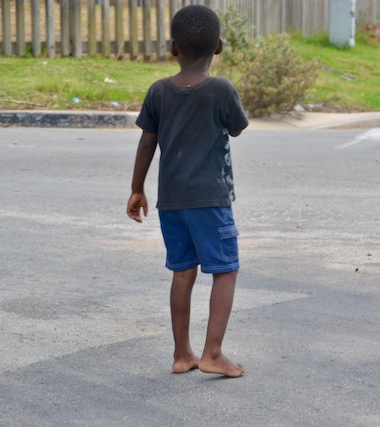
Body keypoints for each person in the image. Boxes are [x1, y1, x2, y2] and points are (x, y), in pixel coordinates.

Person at [126, 4, 248, 378]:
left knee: (183, 273)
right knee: (224, 270)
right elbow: (237, 127)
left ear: (173, 48)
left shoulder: (158, 91)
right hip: (210, 200)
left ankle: (182, 354)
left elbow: (147, 143)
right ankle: (213, 353)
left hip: (171, 201)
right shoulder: (221, 89)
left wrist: (136, 190)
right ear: (219, 47)